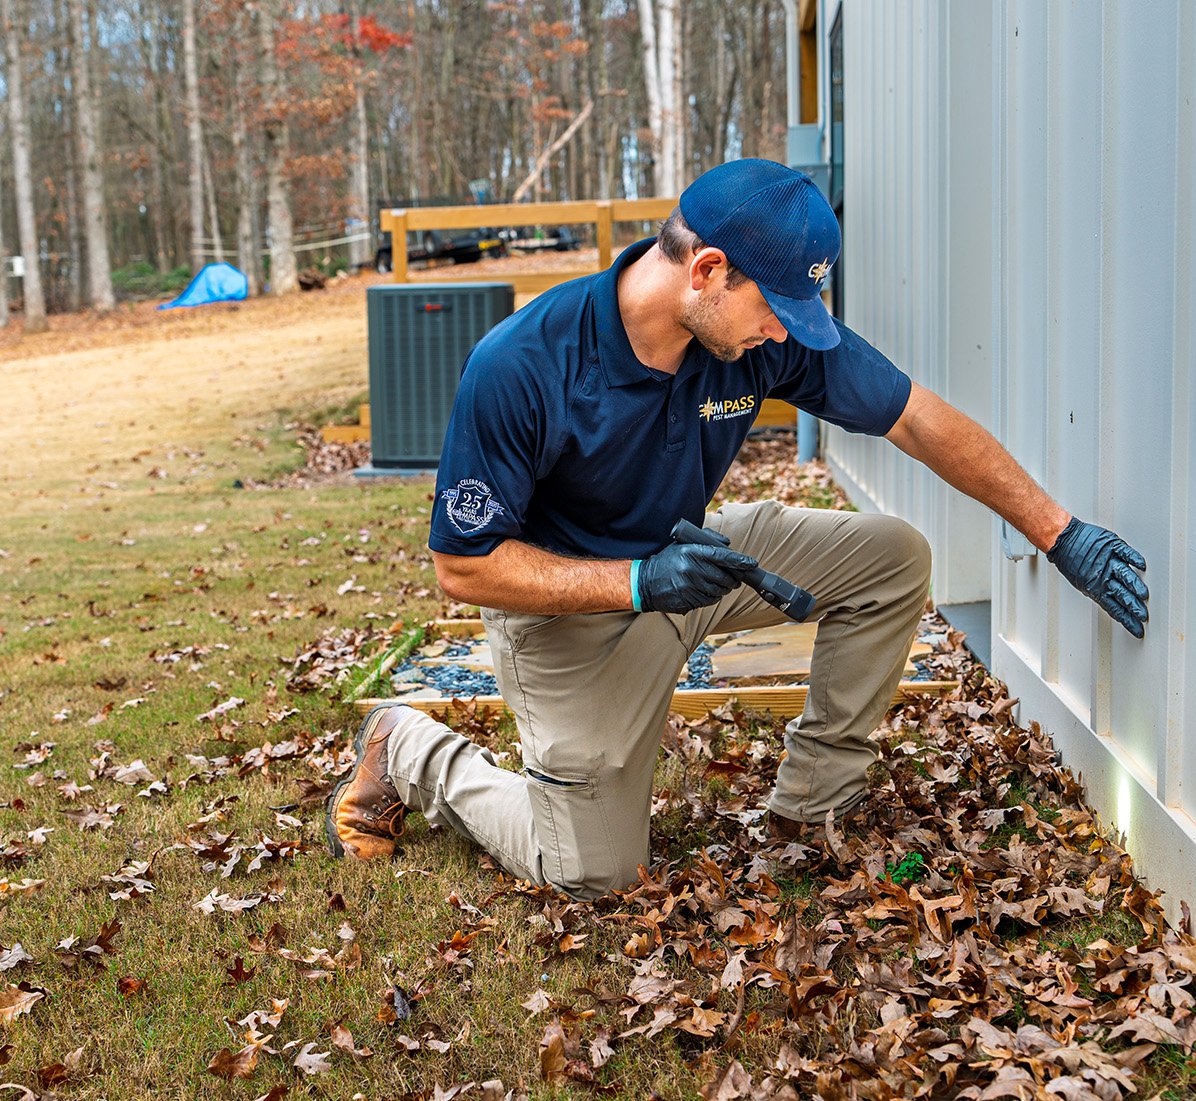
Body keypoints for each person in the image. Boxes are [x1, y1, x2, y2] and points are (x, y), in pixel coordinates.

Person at [326, 159, 1150, 899]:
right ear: (707, 270)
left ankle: (811, 807)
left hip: (690, 559)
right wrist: (638, 582)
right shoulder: (524, 365)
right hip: (567, 613)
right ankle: (408, 748)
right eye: (776, 307)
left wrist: (1058, 533)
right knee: (590, 869)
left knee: (892, 558)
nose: (784, 331)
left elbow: (913, 416)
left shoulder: (751, 338)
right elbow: (464, 568)